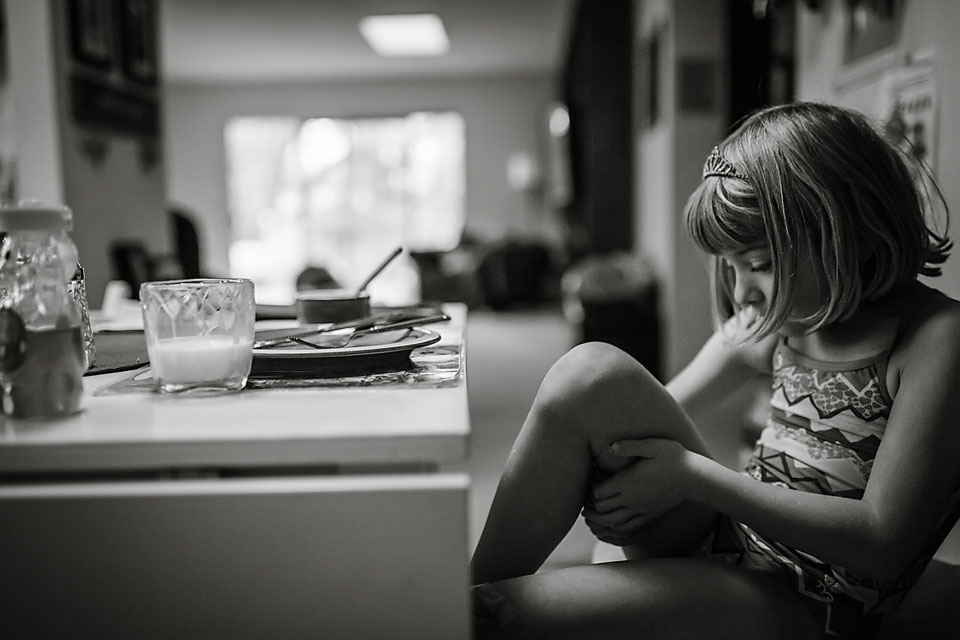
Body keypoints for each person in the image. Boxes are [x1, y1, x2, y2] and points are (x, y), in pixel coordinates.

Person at [469, 102, 960, 639]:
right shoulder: (786, 316)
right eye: (731, 266)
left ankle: (455, 614)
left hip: (812, 599)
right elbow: (629, 412)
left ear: (845, 232)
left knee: (503, 614)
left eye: (760, 264)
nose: (744, 291)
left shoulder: (937, 338)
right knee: (592, 371)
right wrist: (609, 473)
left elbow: (881, 542)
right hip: (734, 538)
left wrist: (690, 476)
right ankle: (453, 601)